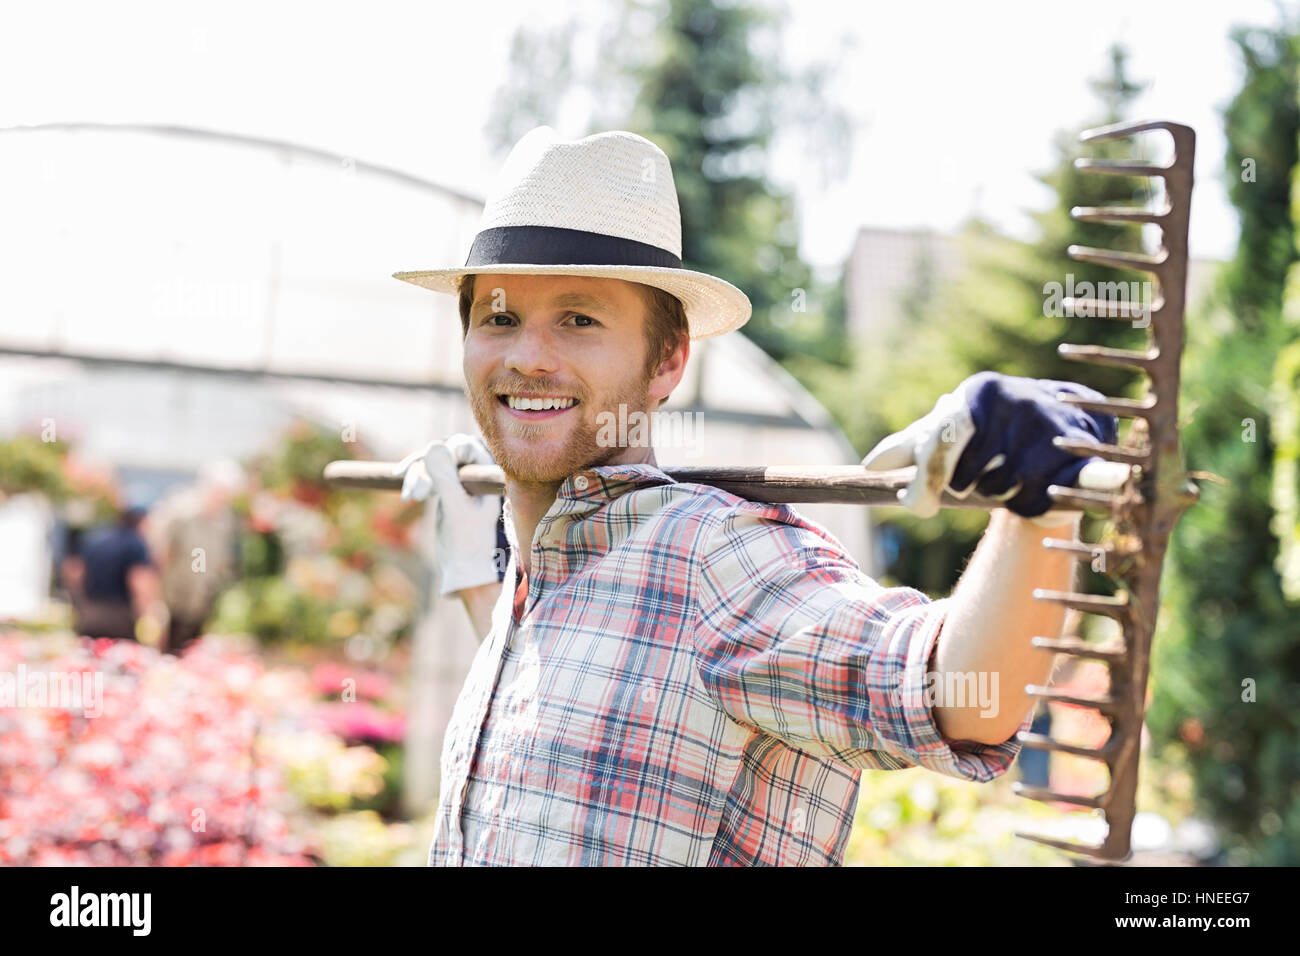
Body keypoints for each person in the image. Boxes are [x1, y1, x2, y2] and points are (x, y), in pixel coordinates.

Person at [391, 127, 1119, 866]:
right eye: (500, 318)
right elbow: (574, 688)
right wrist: (474, 566)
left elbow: (966, 698)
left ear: (667, 359)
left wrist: (1039, 503)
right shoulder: (540, 575)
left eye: (579, 320)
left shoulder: (712, 557)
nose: (527, 357)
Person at [147, 459, 245, 655]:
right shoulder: (180, 513)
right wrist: (156, 604)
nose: (222, 499)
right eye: (219, 492)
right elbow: (160, 555)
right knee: (166, 655)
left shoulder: (224, 521)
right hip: (172, 602)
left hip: (201, 603)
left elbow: (211, 562)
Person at [76, 504, 166, 643]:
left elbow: (77, 572)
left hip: (91, 612)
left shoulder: (95, 539)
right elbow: (139, 582)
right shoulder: (135, 544)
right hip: (119, 617)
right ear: (141, 522)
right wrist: (151, 616)